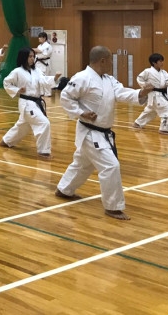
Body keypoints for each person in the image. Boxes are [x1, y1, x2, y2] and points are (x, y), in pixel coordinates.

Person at [55, 45, 152, 220]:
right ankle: (113, 206)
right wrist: (80, 112)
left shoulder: (108, 79)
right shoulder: (82, 78)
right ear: (103, 60)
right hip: (90, 132)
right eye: (110, 60)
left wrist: (141, 92)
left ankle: (64, 189)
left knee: (83, 164)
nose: (112, 64)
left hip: (102, 132)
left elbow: (121, 93)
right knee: (110, 166)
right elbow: (65, 97)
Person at [0, 47, 61, 158]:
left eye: (33, 56)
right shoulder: (17, 71)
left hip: (36, 103)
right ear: (24, 57)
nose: (33, 59)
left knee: (23, 125)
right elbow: (6, 83)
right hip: (27, 103)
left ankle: (6, 141)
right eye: (30, 56)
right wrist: (17, 90)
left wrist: (55, 78)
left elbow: (44, 80)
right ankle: (43, 151)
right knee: (44, 123)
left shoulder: (36, 71)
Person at [133, 53, 168, 134]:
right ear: (154, 62)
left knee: (152, 111)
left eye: (162, 61)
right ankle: (164, 129)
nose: (162, 63)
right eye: (160, 61)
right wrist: (145, 86)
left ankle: (138, 123)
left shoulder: (163, 72)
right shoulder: (147, 71)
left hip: (162, 94)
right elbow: (139, 78)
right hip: (154, 94)